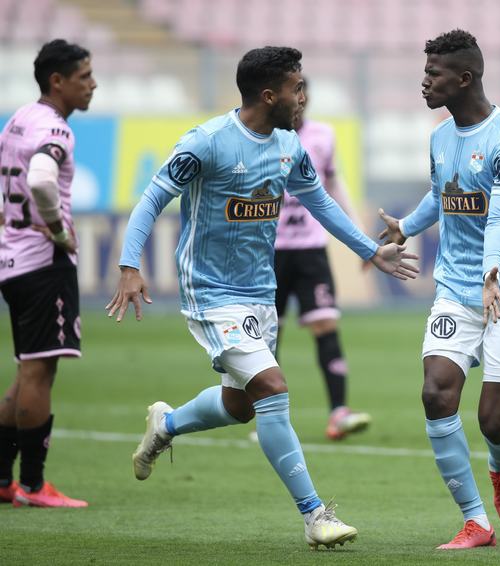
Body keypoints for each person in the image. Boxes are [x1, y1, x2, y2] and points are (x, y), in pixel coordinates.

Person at [106, 46, 417, 549]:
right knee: (272, 387)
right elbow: (151, 200)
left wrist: (370, 251)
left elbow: (320, 203)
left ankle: (166, 424)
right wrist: (128, 266)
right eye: (297, 88)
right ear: (270, 95)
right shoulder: (207, 143)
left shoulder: (289, 146)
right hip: (211, 292)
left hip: (259, 293)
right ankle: (315, 516)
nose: (303, 97)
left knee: (240, 405)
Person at [379, 29, 500, 549]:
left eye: (434, 74)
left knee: (493, 421)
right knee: (435, 392)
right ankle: (476, 521)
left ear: (465, 78)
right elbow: (442, 194)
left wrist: (492, 272)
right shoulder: (440, 137)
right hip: (454, 287)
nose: (424, 82)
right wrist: (407, 226)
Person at [0, 39, 96, 508]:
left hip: (12, 257)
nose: (93, 85)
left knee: (26, 371)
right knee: (40, 371)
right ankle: (35, 486)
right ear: (57, 81)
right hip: (42, 261)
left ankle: (3, 480)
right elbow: (40, 178)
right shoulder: (55, 129)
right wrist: (58, 230)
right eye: (84, 76)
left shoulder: (19, 118)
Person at [274, 78, 370, 440]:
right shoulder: (263, 137)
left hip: (311, 249)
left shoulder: (322, 136)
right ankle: (269, 420)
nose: (300, 100)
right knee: (267, 334)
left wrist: (360, 236)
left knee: (326, 324)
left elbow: (334, 185)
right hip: (268, 251)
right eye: (294, 92)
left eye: (304, 93)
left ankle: (339, 412)